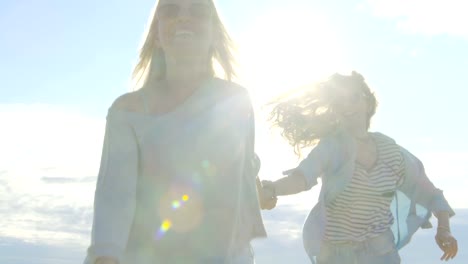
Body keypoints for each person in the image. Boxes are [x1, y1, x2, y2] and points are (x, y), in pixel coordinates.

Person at [83, 1, 275, 263]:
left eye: (197, 11)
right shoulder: (127, 110)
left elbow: (241, 171)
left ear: (214, 34)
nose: (183, 18)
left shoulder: (235, 100)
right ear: (156, 35)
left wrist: (263, 191)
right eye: (171, 10)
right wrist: (105, 256)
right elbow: (114, 196)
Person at [261, 71, 458, 263]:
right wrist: (271, 189)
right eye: (339, 101)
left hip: (382, 255)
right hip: (336, 256)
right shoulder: (332, 147)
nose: (347, 105)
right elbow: (302, 178)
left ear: (368, 102)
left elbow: (431, 195)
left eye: (353, 98)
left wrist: (444, 230)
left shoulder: (391, 152)